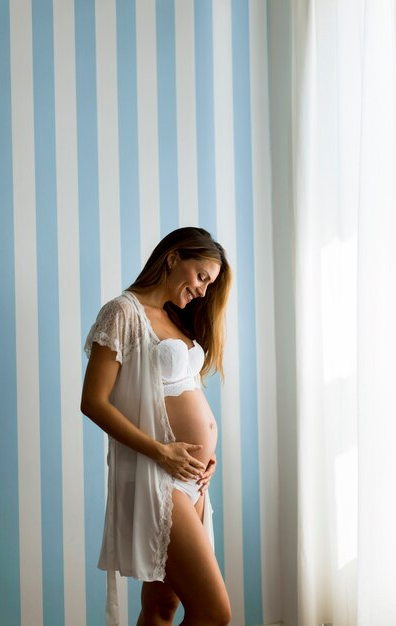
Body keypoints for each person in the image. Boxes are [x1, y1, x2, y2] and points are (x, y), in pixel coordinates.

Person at [81, 227, 232, 626]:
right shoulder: (122, 313)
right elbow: (93, 402)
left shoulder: (174, 319)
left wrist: (208, 451)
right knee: (215, 613)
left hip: (192, 480)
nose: (202, 291)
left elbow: (182, 391)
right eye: (201, 276)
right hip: (157, 474)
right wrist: (163, 451)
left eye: (209, 284)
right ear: (172, 258)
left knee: (162, 608)